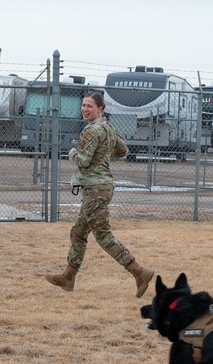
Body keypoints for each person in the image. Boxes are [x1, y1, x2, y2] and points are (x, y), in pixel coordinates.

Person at [45, 91, 154, 298]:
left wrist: (72, 154)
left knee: (103, 235)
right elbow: (123, 151)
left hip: (95, 189)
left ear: (100, 108)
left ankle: (139, 272)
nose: (85, 109)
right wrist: (103, 154)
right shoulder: (109, 128)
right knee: (78, 232)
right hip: (101, 187)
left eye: (89, 106)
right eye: (83, 105)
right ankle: (68, 276)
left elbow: (83, 160)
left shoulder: (90, 131)